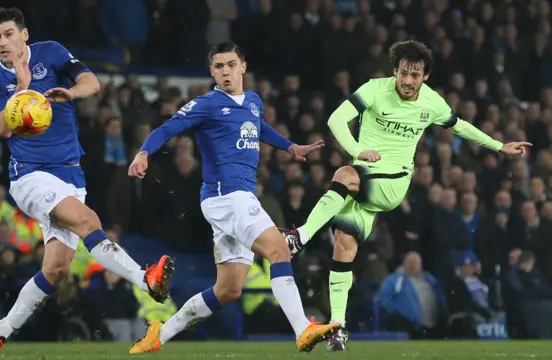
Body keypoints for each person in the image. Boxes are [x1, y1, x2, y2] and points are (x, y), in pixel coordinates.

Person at [279, 40, 531, 351]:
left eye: (415, 75)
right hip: (364, 181)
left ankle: (299, 238)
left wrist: (499, 146)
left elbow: (460, 126)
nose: (408, 81)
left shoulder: (432, 103)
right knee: (343, 248)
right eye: (403, 73)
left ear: (425, 76)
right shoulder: (374, 89)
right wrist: (358, 150)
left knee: (344, 174)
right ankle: (340, 328)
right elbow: (335, 119)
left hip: (393, 181)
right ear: (395, 71)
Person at [0, 7, 174, 356]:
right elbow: (3, 128)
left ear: (24, 34)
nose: (2, 42)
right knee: (88, 221)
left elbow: (91, 82)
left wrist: (71, 93)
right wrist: (22, 87)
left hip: (70, 173)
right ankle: (146, 280)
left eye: (8, 34)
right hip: (30, 175)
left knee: (56, 269)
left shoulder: (51, 52)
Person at [127, 41, 336, 353]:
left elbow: (259, 127)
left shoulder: (252, 101)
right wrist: (143, 153)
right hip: (228, 198)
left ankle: (159, 334)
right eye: (218, 66)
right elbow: (167, 129)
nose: (225, 71)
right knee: (280, 251)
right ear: (212, 71)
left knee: (228, 290)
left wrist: (290, 147)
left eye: (230, 64)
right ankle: (303, 329)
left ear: (243, 67)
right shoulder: (207, 104)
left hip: (234, 200)